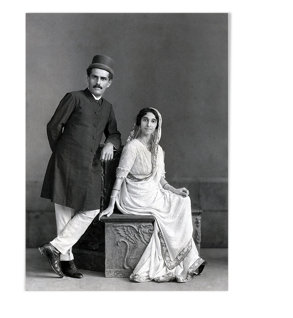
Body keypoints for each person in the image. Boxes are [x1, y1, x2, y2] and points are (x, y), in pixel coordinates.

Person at [99, 107, 206, 283]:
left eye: (153, 121)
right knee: (172, 209)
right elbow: (120, 177)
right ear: (138, 123)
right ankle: (180, 263)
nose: (149, 124)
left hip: (153, 191)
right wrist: (111, 204)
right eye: (145, 120)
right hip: (134, 196)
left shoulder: (158, 149)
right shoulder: (133, 147)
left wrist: (175, 191)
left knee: (183, 200)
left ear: (157, 125)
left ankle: (180, 263)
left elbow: (160, 180)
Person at [39, 55, 121, 278]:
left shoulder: (108, 108)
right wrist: (62, 154)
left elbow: (114, 133)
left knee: (91, 209)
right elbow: (54, 126)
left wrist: (110, 145)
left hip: (90, 167)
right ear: (88, 77)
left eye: (103, 79)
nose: (98, 82)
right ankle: (68, 261)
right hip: (66, 164)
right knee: (65, 212)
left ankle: (55, 248)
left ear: (109, 82)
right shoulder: (73, 98)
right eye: (94, 77)